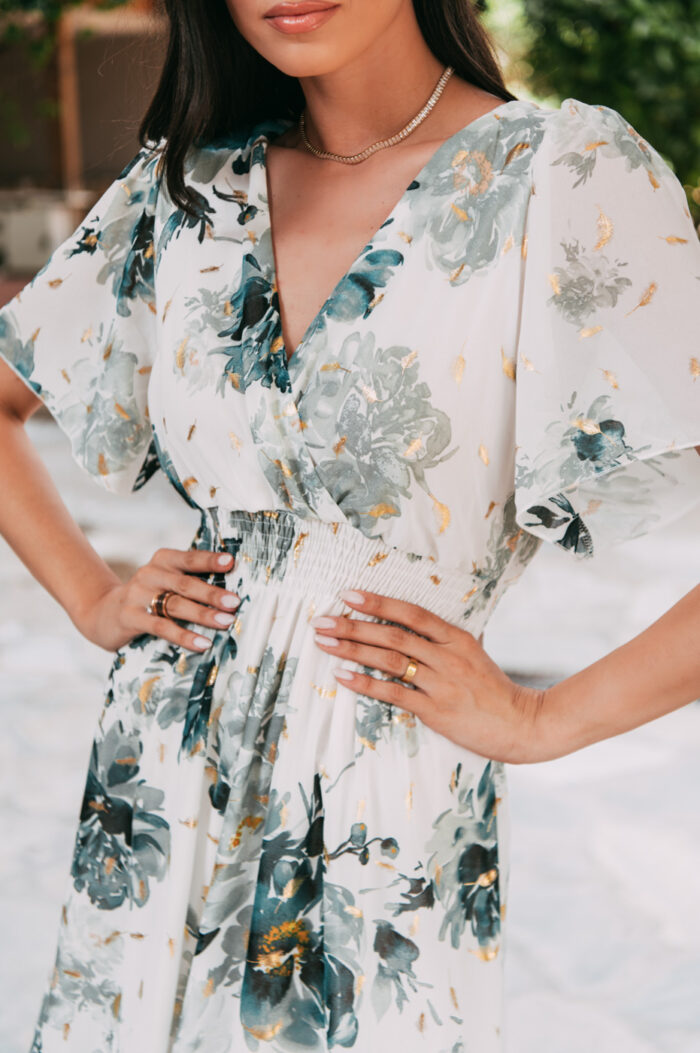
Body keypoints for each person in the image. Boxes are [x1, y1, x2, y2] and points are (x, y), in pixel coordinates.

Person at [1, 0, 699, 1049]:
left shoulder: (561, 177)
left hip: (385, 782)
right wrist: (93, 595)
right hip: (160, 768)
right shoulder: (188, 189)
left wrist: (542, 720)